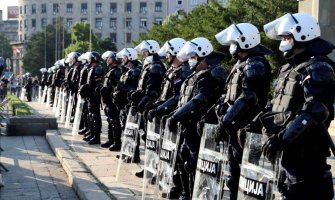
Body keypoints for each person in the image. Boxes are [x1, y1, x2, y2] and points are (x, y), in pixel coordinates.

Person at [261, 13, 335, 200]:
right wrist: (258, 125)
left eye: (287, 37)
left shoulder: (318, 67)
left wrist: (282, 139)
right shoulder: (290, 68)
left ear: (302, 34)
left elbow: (316, 110)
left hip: (307, 158)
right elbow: (277, 104)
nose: (284, 41)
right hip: (287, 158)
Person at [214, 23, 273, 200]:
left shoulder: (256, 64)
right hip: (235, 128)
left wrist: (225, 120)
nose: (232, 45)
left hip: (248, 128)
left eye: (234, 41)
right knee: (233, 176)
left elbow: (248, 96)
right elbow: (229, 95)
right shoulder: (242, 63)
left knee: (248, 176)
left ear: (245, 41)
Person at [167, 37, 228, 199]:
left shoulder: (210, 75)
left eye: (193, 57)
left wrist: (175, 116)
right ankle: (186, 193)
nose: (191, 61)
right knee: (183, 158)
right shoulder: (194, 75)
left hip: (203, 128)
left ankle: (200, 194)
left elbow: (199, 99)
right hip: (189, 126)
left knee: (197, 164)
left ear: (203, 56)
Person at [100, 51, 122, 150]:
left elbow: (116, 86)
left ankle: (117, 143)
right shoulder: (111, 70)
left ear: (114, 60)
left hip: (112, 101)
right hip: (107, 100)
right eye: (107, 59)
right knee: (110, 121)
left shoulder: (117, 71)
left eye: (109, 59)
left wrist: (109, 91)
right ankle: (110, 140)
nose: (107, 60)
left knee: (114, 121)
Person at [80, 51, 103, 145]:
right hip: (90, 95)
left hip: (94, 97)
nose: (88, 60)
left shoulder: (98, 68)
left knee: (95, 116)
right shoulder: (92, 68)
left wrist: (94, 96)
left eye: (90, 58)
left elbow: (98, 85)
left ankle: (96, 137)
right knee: (91, 116)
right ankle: (93, 134)